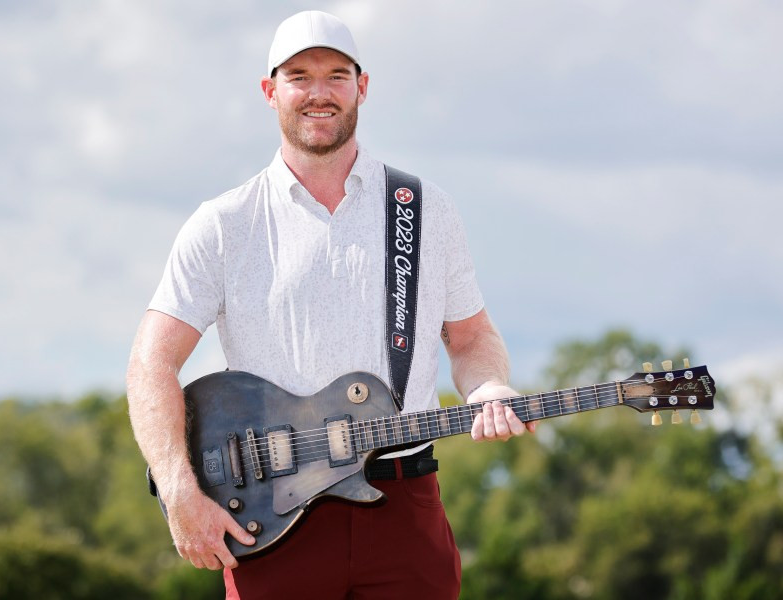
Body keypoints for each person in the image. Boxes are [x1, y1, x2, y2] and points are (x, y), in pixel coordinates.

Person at [126, 10, 534, 599]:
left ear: (362, 87)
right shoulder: (225, 223)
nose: (319, 92)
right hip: (271, 523)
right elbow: (150, 363)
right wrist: (179, 490)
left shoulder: (424, 209)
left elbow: (470, 339)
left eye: (336, 76)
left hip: (404, 506)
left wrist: (489, 385)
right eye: (299, 77)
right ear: (270, 91)